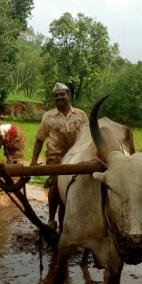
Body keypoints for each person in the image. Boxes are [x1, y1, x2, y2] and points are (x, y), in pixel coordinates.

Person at [30, 82, 88, 230]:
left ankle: (67, 224)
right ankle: (51, 219)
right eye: (56, 95)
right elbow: (39, 139)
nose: (59, 97)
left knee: (75, 188)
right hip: (55, 158)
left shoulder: (80, 115)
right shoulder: (48, 116)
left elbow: (88, 137)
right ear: (53, 99)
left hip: (77, 158)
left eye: (62, 94)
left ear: (69, 95)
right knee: (56, 186)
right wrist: (33, 161)